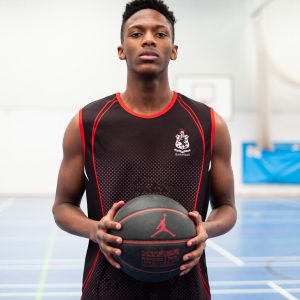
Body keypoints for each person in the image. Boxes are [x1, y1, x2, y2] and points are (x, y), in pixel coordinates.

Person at [52, 0, 236, 299]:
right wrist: (94, 229)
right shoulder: (87, 122)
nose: (149, 39)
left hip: (186, 285)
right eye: (136, 33)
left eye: (160, 34)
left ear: (174, 51)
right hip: (107, 286)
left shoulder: (208, 123)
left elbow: (227, 207)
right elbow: (62, 206)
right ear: (121, 50)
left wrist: (207, 230)